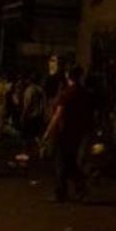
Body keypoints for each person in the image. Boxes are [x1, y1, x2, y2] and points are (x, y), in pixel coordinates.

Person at [42, 66, 93, 202]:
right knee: (70, 162)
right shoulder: (84, 92)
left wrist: (48, 132)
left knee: (60, 162)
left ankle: (61, 192)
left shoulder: (67, 93)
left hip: (64, 132)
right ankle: (79, 188)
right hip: (77, 132)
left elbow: (58, 115)